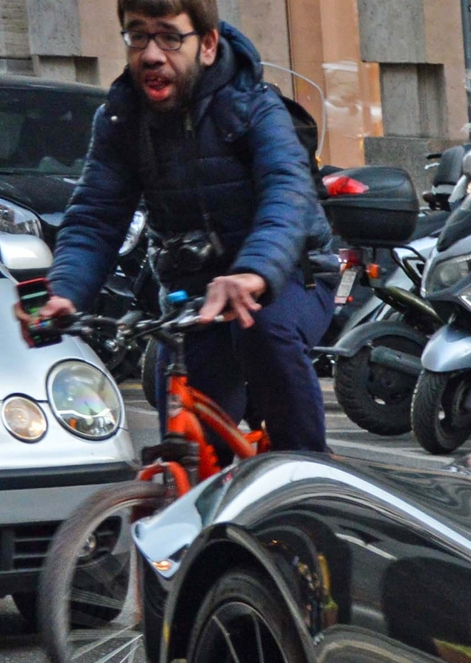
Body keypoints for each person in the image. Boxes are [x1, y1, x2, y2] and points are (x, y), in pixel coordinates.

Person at [30, 0, 330, 452]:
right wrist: (63, 293)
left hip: (286, 274)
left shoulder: (254, 107)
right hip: (194, 290)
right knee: (188, 422)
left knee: (264, 333)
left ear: (207, 45)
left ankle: (307, 479)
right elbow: (96, 217)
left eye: (169, 36)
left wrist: (253, 271)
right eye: (137, 35)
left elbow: (286, 194)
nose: (151, 54)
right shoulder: (121, 120)